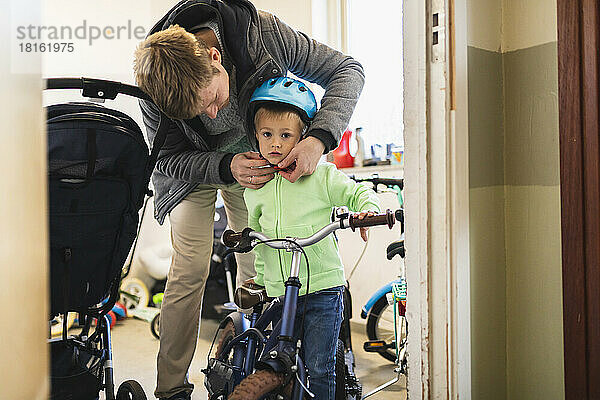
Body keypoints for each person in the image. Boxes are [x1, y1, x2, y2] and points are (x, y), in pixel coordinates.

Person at [132, 1, 364, 399]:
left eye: (214, 97)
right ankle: (171, 389)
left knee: (258, 261)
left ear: (215, 56)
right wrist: (224, 166)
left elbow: (348, 70)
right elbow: (170, 158)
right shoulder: (156, 86)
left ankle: (257, 366)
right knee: (189, 269)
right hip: (192, 174)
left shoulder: (265, 36)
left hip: (258, 170)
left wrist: (318, 139)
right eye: (199, 112)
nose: (213, 111)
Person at [242, 77, 380, 399]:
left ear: (303, 137)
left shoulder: (320, 174)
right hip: (280, 292)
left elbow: (357, 192)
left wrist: (366, 211)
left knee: (320, 366)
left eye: (285, 135)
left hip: (322, 288)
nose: (275, 144)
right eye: (267, 134)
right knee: (275, 359)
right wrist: (262, 281)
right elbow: (257, 241)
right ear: (256, 135)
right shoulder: (257, 186)